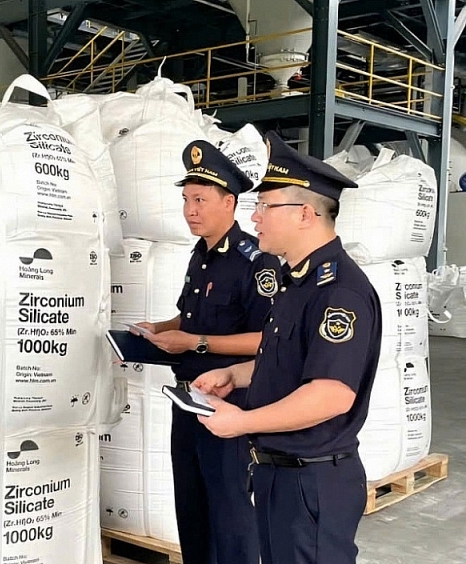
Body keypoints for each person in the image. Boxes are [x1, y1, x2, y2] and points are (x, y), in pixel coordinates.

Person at [195, 131, 382, 564]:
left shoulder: (339, 292)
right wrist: (234, 374)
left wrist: (242, 422)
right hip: (279, 473)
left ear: (304, 215)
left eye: (264, 206)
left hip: (311, 481)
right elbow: (287, 360)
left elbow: (331, 394)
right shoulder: (295, 281)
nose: (255, 217)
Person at [133, 140, 280, 564]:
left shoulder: (256, 261)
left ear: (230, 202)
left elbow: (266, 340)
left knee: (230, 512)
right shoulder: (201, 256)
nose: (190, 210)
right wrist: (156, 329)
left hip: (229, 404)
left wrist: (195, 343)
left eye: (200, 199)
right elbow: (189, 317)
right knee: (192, 506)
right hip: (187, 399)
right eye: (185, 199)